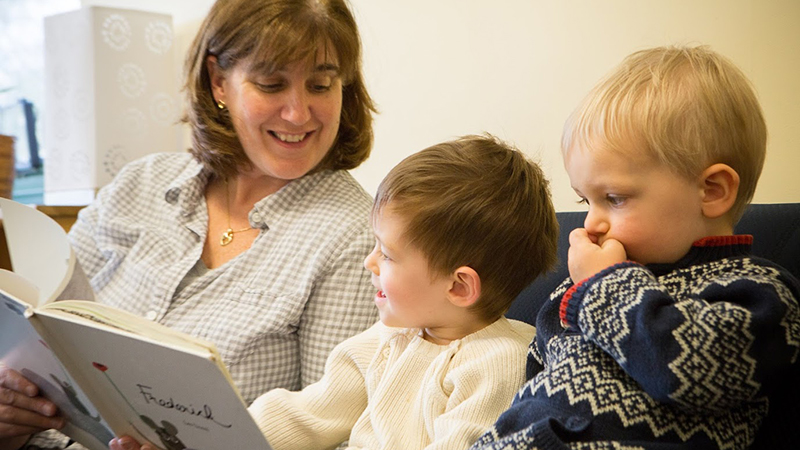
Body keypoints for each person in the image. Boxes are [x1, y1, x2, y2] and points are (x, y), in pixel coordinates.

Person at [0, 0, 380, 449]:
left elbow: (336, 436)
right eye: (271, 84)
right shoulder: (139, 184)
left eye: (320, 85)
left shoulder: (354, 237)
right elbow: (43, 329)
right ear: (219, 82)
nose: (298, 113)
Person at [112, 134, 560, 450]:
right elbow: (307, 415)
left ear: (459, 286)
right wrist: (205, 439)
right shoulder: (385, 341)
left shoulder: (499, 361)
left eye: (387, 254)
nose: (369, 262)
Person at [470, 45, 800, 450]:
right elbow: (531, 393)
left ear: (712, 191)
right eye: (584, 201)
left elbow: (692, 373)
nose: (592, 222)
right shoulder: (576, 291)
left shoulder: (760, 293)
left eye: (615, 198)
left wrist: (605, 284)